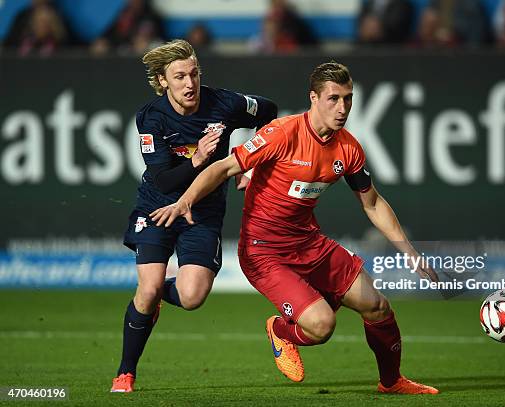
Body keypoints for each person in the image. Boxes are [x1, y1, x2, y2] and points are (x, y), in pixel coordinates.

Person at [151, 62, 440, 395]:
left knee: (376, 305)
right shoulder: (282, 133)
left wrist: (410, 253)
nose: (342, 108)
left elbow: (372, 203)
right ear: (313, 98)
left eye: (348, 99)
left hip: (310, 244)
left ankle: (391, 382)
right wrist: (185, 200)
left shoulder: (348, 148)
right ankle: (279, 329)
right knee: (321, 326)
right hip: (264, 252)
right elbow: (224, 167)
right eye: (333, 99)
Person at [110, 39, 278, 393]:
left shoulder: (225, 103)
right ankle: (125, 373)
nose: (190, 84)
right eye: (180, 77)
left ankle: (154, 301)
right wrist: (198, 159)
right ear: (163, 81)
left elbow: (270, 113)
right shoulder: (150, 117)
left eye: (194, 74)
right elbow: (163, 179)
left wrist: (253, 165)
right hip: (158, 207)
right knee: (150, 286)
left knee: (192, 297)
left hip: (203, 211)